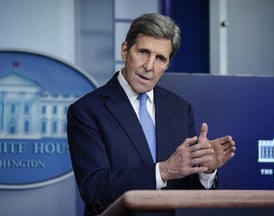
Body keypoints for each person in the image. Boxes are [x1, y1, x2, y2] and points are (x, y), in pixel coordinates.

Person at [67, 13, 236, 215]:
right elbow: (94, 188)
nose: (149, 66)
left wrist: (206, 171)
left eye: (160, 58)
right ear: (125, 50)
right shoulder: (87, 110)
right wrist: (163, 170)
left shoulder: (180, 109)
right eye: (143, 52)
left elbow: (187, 189)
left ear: (167, 65)